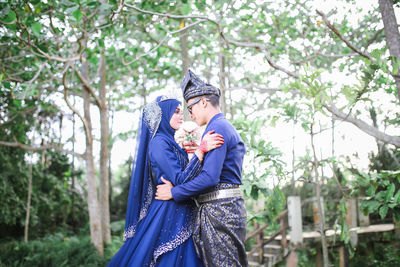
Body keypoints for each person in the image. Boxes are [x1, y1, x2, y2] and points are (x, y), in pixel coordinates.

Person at [108, 95, 224, 267]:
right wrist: (201, 151)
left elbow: (183, 175)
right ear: (163, 115)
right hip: (170, 211)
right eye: (175, 112)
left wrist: (193, 153)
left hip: (181, 207)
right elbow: (180, 180)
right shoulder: (159, 143)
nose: (181, 116)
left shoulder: (171, 141)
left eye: (181, 112)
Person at [155, 69, 248, 267]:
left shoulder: (218, 128)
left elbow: (210, 178)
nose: (190, 114)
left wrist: (174, 192)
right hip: (224, 210)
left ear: (203, 102)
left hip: (220, 212)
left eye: (191, 108)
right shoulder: (222, 126)